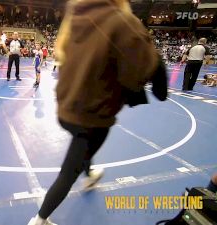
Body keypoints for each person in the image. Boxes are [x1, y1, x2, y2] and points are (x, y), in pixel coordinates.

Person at [27, 0, 165, 224]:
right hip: (91, 116)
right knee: (69, 171)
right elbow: (140, 73)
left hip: (66, 107)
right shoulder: (122, 22)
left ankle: (90, 175)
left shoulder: (77, 17)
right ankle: (39, 220)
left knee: (84, 148)